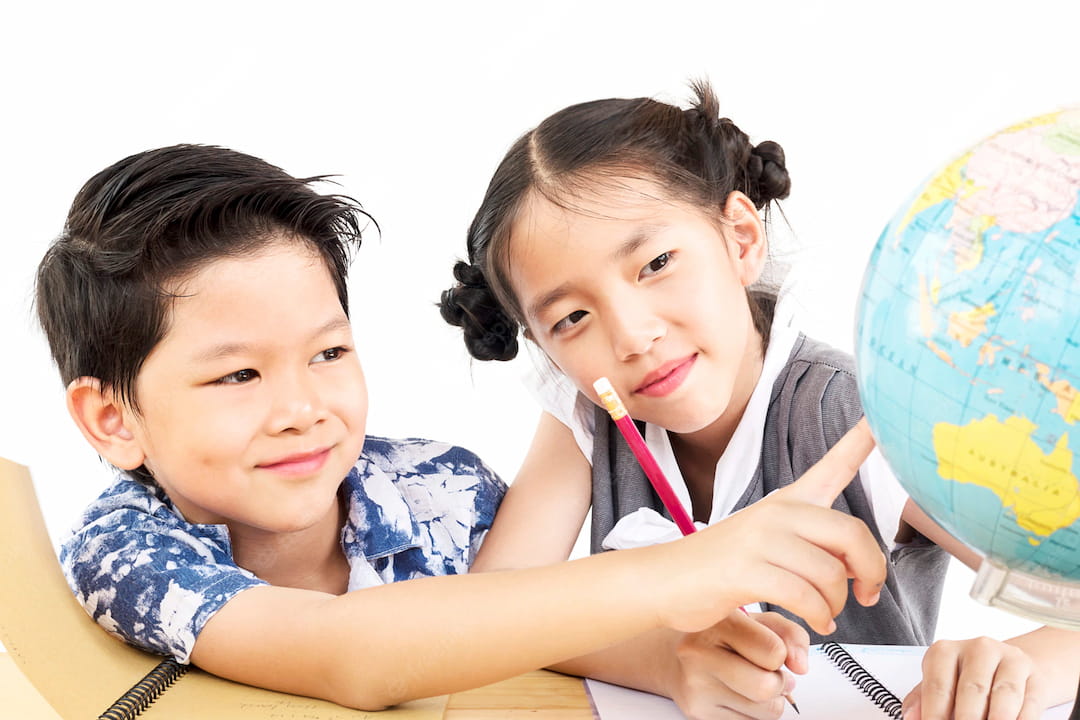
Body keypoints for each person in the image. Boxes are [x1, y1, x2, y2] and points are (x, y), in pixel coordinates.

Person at [35, 143, 890, 711]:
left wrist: (673, 659)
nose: (303, 409)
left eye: (328, 354)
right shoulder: (128, 551)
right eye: (238, 374)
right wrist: (690, 568)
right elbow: (351, 655)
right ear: (112, 420)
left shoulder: (432, 486)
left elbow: (529, 622)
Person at [440, 82, 1080, 719]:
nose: (633, 337)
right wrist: (663, 660)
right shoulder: (592, 417)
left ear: (741, 238)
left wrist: (1021, 666)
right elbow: (490, 614)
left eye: (657, 263)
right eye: (573, 317)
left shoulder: (858, 416)